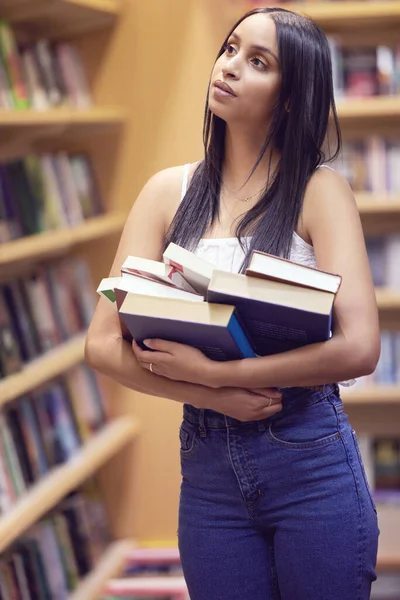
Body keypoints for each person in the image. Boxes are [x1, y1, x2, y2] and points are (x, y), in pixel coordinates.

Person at [85, 7, 381, 599]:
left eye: (258, 61)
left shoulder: (320, 191)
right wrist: (205, 389)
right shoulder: (166, 192)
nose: (229, 67)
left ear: (292, 96)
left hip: (310, 455)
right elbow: (100, 344)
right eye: (230, 49)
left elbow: (360, 347)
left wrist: (232, 373)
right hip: (207, 469)